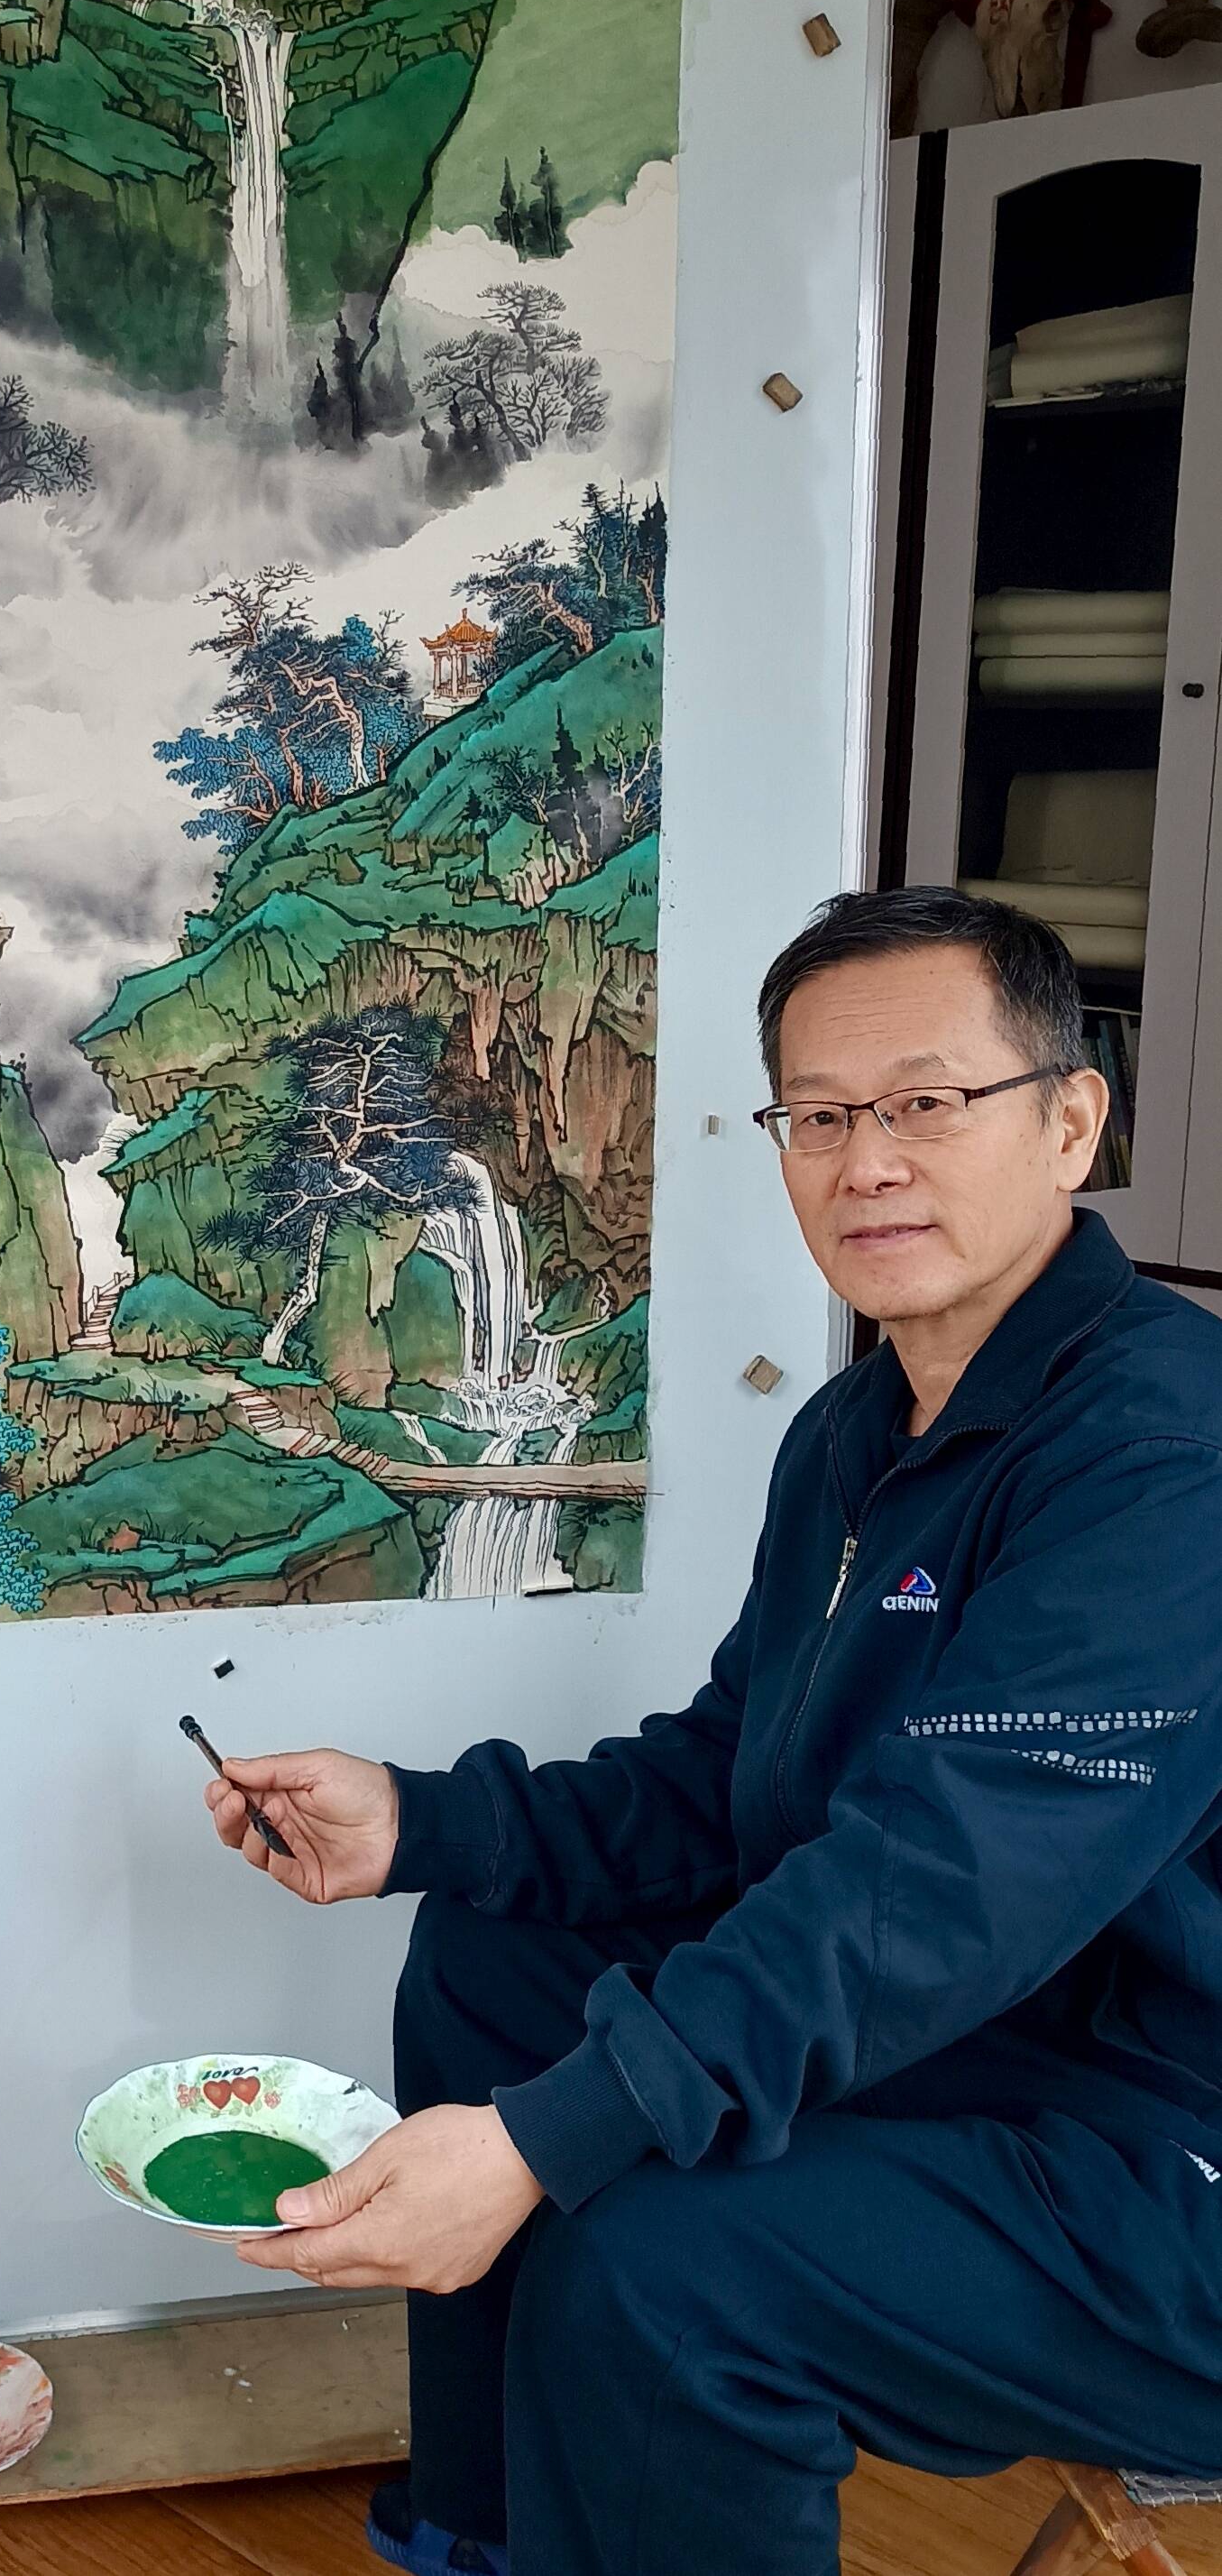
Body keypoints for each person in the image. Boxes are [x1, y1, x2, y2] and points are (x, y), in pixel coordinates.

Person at [201, 888, 1222, 2576]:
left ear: (1068, 1121)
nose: (865, 1161)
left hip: (1164, 2145)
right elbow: (734, 1773)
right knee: (486, 1963)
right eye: (816, 1116)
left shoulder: (1165, 1457)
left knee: (665, 2269)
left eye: (924, 1101)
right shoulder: (856, 1427)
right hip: (998, 2033)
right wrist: (425, 1821)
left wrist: (543, 2139)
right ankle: (489, 2533)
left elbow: (938, 1883)